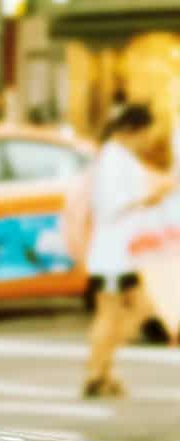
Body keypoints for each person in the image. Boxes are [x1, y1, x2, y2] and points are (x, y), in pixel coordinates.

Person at [83, 104, 175, 398]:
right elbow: (111, 205)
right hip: (111, 256)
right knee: (111, 314)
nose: (148, 140)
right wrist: (150, 196)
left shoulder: (121, 157)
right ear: (133, 131)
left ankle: (102, 371)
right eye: (146, 133)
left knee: (136, 310)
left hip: (123, 254)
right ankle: (97, 374)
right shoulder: (113, 158)